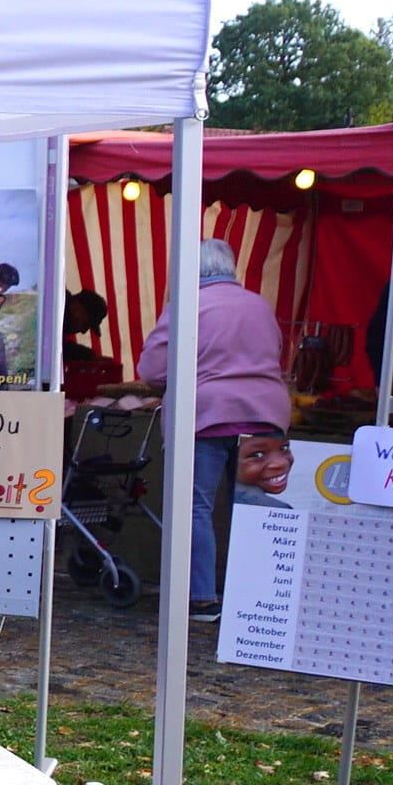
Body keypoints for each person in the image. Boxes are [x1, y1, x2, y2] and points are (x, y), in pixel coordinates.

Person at [136, 239, 288, 623]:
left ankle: (203, 598)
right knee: (255, 506)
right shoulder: (259, 303)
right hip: (265, 415)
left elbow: (153, 371)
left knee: (195, 508)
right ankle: (260, 598)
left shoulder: (187, 305)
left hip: (206, 415)